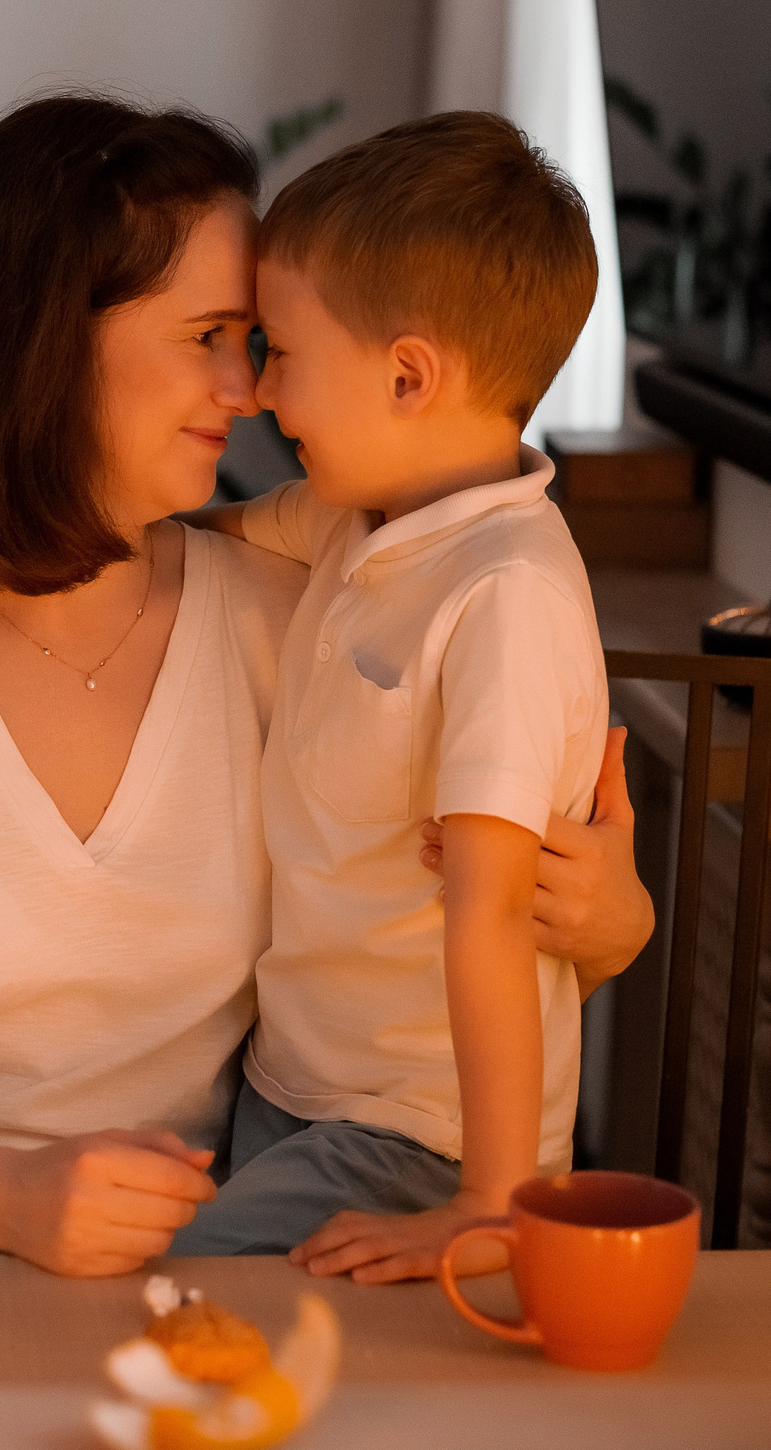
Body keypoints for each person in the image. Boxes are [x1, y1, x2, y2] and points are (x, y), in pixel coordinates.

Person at [0, 94, 651, 1271]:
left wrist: (606, 921)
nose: (248, 389)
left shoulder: (308, 622)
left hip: (178, 1257)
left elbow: (434, 907)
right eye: (211, 333)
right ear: (49, 339)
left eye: (258, 340)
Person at [170, 113, 613, 1283]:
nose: (259, 394)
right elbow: (187, 538)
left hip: (420, 1132)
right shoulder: (356, 515)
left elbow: (490, 914)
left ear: (408, 374)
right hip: (293, 1087)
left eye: (280, 352)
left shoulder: (506, 595)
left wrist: (492, 1199)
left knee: (161, 1306)